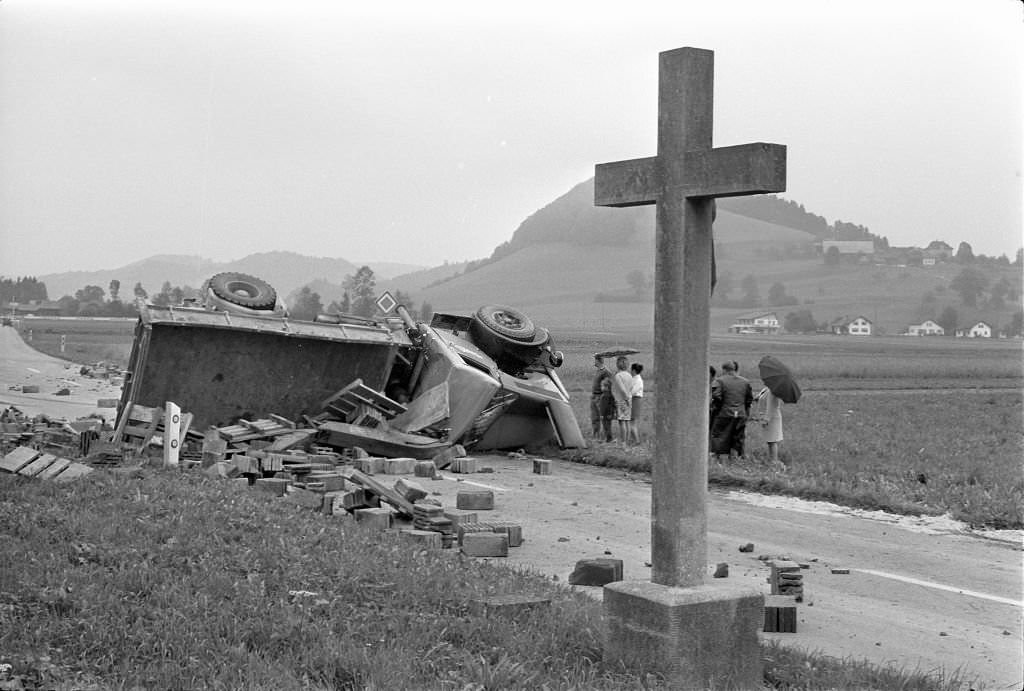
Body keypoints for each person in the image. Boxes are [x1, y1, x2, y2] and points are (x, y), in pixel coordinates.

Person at [710, 360, 753, 460]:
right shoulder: (745, 382)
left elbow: (716, 395)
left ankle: (722, 462)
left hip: (725, 414)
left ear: (724, 369)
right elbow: (749, 399)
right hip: (741, 414)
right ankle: (735, 460)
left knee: (720, 438)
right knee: (737, 438)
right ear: (734, 369)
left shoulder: (720, 381)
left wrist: (717, 407)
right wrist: (746, 412)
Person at [609, 355, 633, 442]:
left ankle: (623, 442)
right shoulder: (629, 375)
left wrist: (625, 399)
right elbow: (630, 388)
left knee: (622, 421)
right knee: (627, 421)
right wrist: (628, 399)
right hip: (629, 399)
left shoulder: (618, 376)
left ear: (618, 365)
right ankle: (627, 441)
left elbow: (622, 389)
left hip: (622, 400)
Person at [757, 386, 784, 462]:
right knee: (769, 440)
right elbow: (762, 397)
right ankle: (772, 459)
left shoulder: (772, 391)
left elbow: (771, 407)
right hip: (769, 417)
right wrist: (758, 398)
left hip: (772, 418)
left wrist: (766, 419)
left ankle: (774, 461)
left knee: (772, 440)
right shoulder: (766, 389)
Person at [589, 355, 611, 439]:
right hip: (594, 396)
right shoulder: (598, 371)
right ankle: (595, 435)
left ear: (599, 360)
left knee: (603, 417)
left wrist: (604, 395)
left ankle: (607, 436)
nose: (594, 362)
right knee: (594, 417)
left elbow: (609, 383)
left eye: (595, 360)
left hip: (600, 396)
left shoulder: (606, 371)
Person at [629, 362, 644, 444]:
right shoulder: (634, 378)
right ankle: (633, 440)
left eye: (631, 369)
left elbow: (633, 392)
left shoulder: (638, 380)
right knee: (631, 422)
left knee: (632, 423)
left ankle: (637, 441)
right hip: (633, 400)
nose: (630, 371)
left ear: (634, 370)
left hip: (635, 400)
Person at [597, 377, 616, 442]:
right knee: (608, 426)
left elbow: (603, 407)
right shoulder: (611, 395)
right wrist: (612, 413)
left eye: (602, 386)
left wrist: (601, 414)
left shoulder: (604, 396)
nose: (601, 387)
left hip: (605, 415)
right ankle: (609, 438)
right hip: (609, 414)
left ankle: (608, 438)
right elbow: (613, 405)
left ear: (607, 387)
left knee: (606, 427)